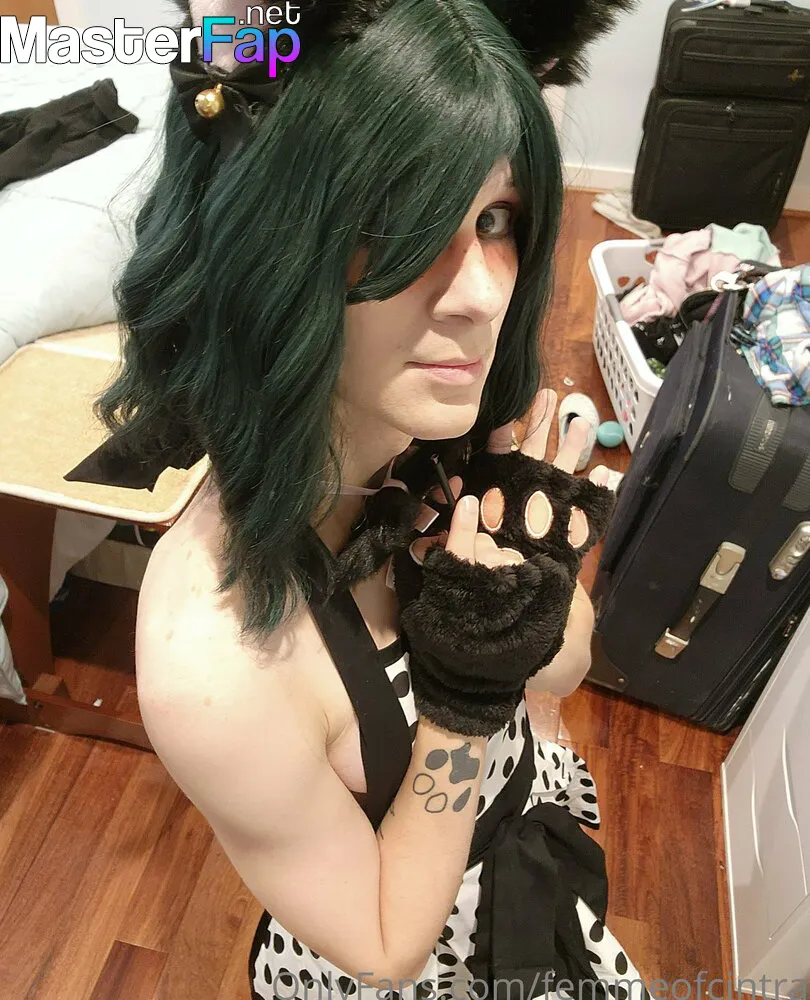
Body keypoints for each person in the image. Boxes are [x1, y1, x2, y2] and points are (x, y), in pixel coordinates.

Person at [67, 0, 649, 997]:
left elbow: (562, 667)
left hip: (527, 853)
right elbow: (386, 945)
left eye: (496, 220)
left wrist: (532, 587)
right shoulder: (214, 661)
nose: (484, 295)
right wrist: (462, 710)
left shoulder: (455, 441)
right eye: (397, 226)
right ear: (267, 248)